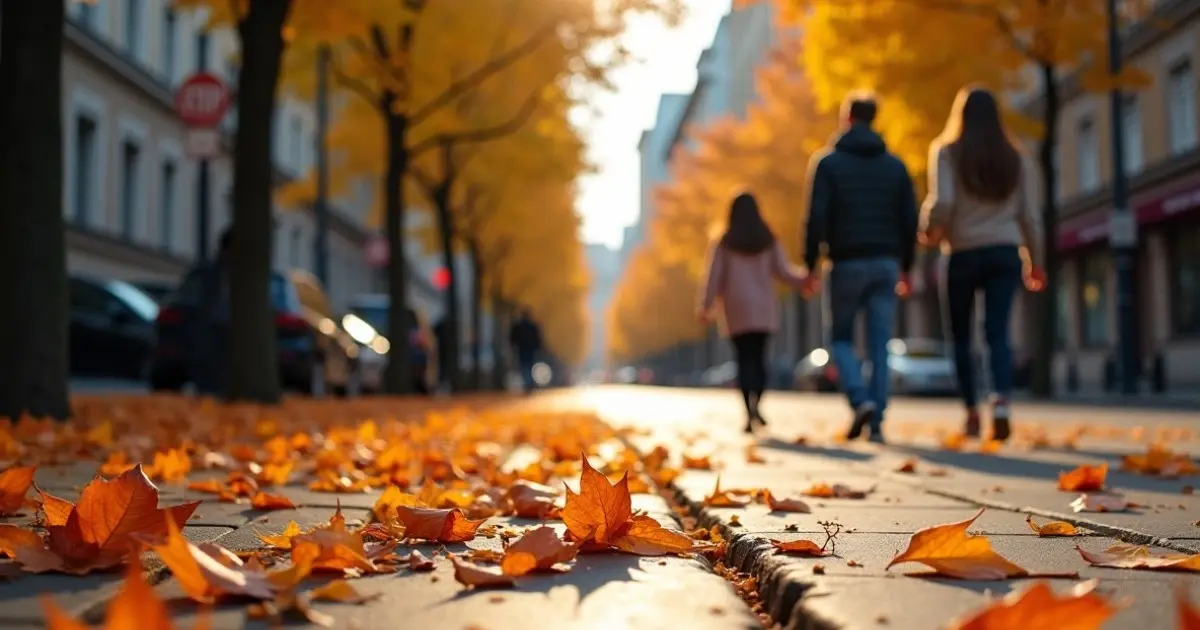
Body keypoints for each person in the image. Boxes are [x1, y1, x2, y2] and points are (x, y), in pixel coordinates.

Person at [921, 86, 1045, 441]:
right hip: (1005, 251)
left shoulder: (947, 152)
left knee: (960, 337)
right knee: (998, 333)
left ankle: (972, 412)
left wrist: (928, 229)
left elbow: (942, 202)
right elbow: (1030, 216)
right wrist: (1035, 262)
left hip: (962, 253)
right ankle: (1001, 402)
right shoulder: (1016, 157)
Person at [801, 91, 918, 443]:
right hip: (885, 262)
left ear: (847, 118)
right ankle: (877, 418)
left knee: (840, 338)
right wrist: (907, 266)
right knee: (880, 342)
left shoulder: (827, 163)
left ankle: (859, 397)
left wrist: (809, 264)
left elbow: (815, 218)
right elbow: (908, 219)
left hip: (846, 261)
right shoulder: (896, 167)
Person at [698, 192, 806, 433]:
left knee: (743, 360)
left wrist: (705, 307)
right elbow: (784, 271)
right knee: (760, 359)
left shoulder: (724, 242)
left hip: (736, 309)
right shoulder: (768, 239)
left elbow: (713, 278)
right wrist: (804, 280)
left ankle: (749, 412)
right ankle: (758, 402)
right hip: (763, 308)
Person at [187, 229, 234, 395]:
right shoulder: (209, 272)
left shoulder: (214, 272)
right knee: (208, 368)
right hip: (212, 327)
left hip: (225, 328)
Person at [509, 308, 543, 394]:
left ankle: (527, 383)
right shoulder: (532, 326)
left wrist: (513, 346)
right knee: (530, 366)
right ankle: (529, 384)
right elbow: (538, 338)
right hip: (530, 349)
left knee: (524, 366)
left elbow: (513, 338)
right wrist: (537, 348)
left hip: (522, 349)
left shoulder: (518, 326)